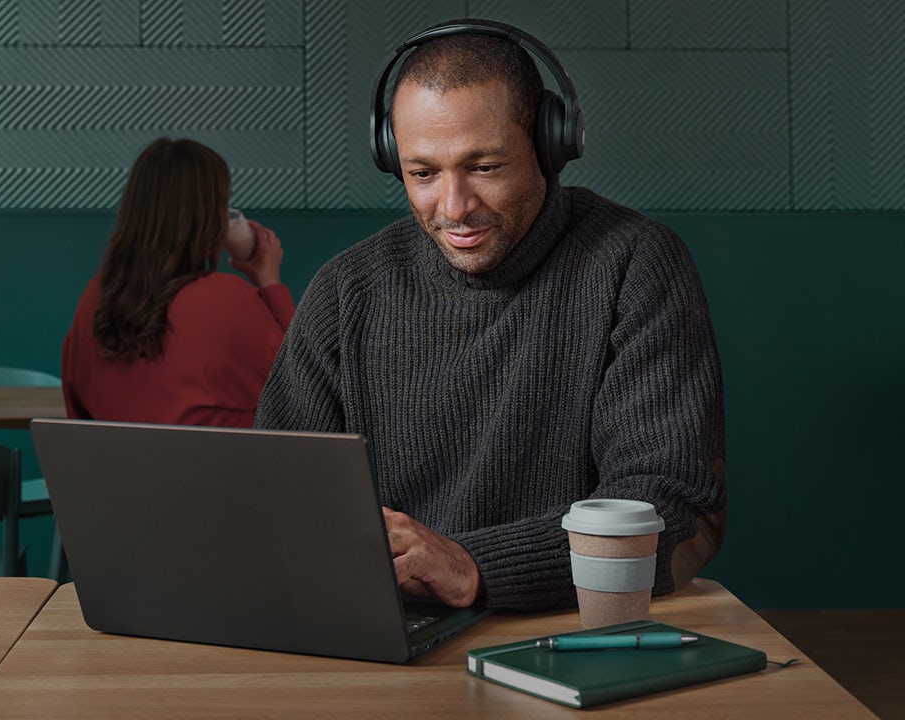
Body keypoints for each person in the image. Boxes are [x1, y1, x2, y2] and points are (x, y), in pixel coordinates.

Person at [254, 20, 727, 611]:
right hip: (383, 629)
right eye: (422, 173)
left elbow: (668, 503)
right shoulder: (347, 289)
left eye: (484, 167)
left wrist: (472, 566)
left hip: (562, 630)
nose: (454, 207)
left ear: (550, 146)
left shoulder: (636, 264)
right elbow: (278, 498)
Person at [61, 137, 295, 427]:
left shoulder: (94, 298)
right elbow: (305, 386)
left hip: (119, 471)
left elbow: (78, 416)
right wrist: (269, 279)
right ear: (210, 217)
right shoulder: (228, 298)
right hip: (222, 470)